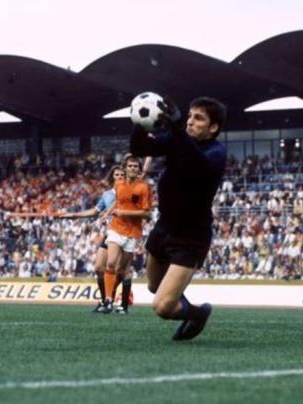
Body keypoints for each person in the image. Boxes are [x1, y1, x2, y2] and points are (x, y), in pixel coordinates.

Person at [130, 96, 227, 340]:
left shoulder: (216, 152)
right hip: (164, 227)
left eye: (199, 118)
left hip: (191, 235)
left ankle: (198, 314)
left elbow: (196, 163)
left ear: (213, 127)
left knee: (163, 307)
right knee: (154, 286)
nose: (190, 121)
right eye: (189, 116)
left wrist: (175, 129)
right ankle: (184, 305)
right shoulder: (178, 139)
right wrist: (140, 124)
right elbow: (140, 149)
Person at [61, 165, 125, 312]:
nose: (120, 177)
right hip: (110, 233)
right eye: (117, 175)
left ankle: (113, 301)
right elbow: (95, 211)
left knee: (117, 270)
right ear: (112, 177)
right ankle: (105, 301)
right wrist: (76, 215)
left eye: (122, 175)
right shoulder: (107, 194)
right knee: (98, 268)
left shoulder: (128, 192)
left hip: (123, 233)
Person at [101, 154, 152, 314]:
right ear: (125, 168)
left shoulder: (144, 187)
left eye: (135, 166)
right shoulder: (119, 184)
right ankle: (107, 300)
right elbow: (118, 201)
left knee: (122, 270)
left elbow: (147, 214)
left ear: (139, 169)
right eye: (130, 166)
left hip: (132, 233)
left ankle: (119, 301)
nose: (132, 168)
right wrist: (107, 213)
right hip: (116, 228)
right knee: (110, 263)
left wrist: (124, 212)